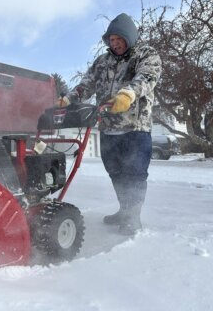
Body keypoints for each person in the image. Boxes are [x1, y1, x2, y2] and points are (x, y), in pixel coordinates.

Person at [59, 13, 162, 235]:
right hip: (107, 128)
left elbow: (147, 77)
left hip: (135, 128)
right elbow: (86, 84)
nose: (115, 44)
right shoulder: (102, 62)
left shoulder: (145, 54)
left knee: (134, 174)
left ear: (129, 37)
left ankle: (133, 216)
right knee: (116, 172)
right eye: (111, 41)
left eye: (119, 40)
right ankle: (124, 210)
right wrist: (70, 97)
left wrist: (128, 94)